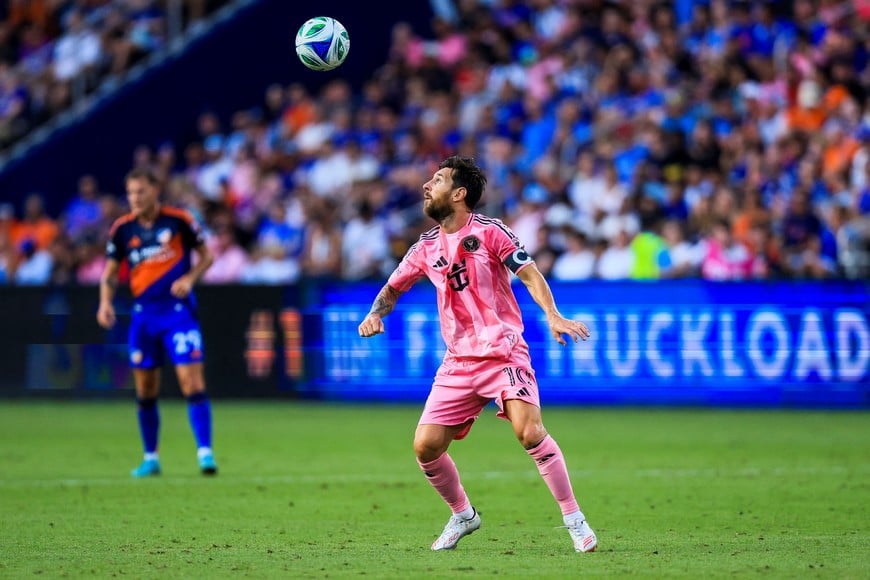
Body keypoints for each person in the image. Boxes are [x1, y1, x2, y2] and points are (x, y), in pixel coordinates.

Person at [358, 156, 597, 553]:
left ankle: (574, 519)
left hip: (503, 354)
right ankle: (463, 515)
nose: (426, 186)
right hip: (458, 362)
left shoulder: (490, 232)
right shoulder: (425, 247)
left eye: (436, 180)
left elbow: (529, 273)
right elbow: (393, 288)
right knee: (426, 446)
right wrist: (374, 313)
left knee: (529, 431)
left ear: (458, 193)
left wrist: (552, 314)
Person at [97, 168, 218, 478]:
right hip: (144, 316)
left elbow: (207, 256)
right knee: (146, 389)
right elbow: (110, 273)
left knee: (191, 381)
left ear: (155, 191)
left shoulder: (179, 220)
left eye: (141, 192)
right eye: (131, 193)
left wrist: (190, 278)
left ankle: (205, 453)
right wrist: (105, 302)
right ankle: (151, 457)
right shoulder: (122, 229)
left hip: (178, 313)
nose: (135, 198)